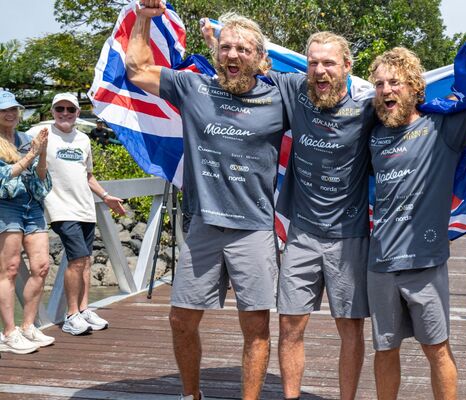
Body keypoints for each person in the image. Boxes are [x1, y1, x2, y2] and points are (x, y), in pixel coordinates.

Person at [126, 2, 287, 399]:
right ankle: (190, 395)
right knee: (180, 320)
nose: (233, 55)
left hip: (254, 227)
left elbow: (331, 98)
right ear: (216, 52)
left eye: (243, 50)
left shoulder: (279, 97)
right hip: (204, 226)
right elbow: (136, 69)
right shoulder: (192, 87)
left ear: (260, 59)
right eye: (226, 48)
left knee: (256, 328)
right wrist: (144, 18)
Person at [366, 38, 466, 399]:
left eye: (394, 82)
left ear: (413, 87)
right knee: (384, 349)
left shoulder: (442, 127)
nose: (385, 90)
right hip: (380, 263)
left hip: (425, 263)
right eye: (379, 84)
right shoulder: (374, 134)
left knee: (436, 349)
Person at [265, 31, 375, 400]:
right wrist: (216, 38)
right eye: (313, 62)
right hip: (302, 233)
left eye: (329, 63)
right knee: (290, 325)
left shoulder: (368, 110)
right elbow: (250, 64)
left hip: (350, 236)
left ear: (347, 66)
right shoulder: (296, 92)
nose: (319, 70)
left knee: (350, 329)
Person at [43, 92, 125, 338]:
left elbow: (87, 175)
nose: (65, 113)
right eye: (60, 109)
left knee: (86, 260)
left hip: (85, 208)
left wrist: (106, 195)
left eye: (70, 109)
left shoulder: (83, 139)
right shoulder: (43, 136)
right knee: (77, 259)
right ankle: (70, 316)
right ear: (53, 112)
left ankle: (83, 309)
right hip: (60, 208)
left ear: (78, 113)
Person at [0, 91, 53, 354]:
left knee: (42, 266)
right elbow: (3, 178)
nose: (10, 114)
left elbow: (41, 181)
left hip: (32, 206)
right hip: (6, 207)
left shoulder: (23, 139)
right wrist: (32, 154)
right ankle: (8, 332)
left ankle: (28, 326)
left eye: (14, 109)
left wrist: (41, 153)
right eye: (4, 110)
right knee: (9, 269)